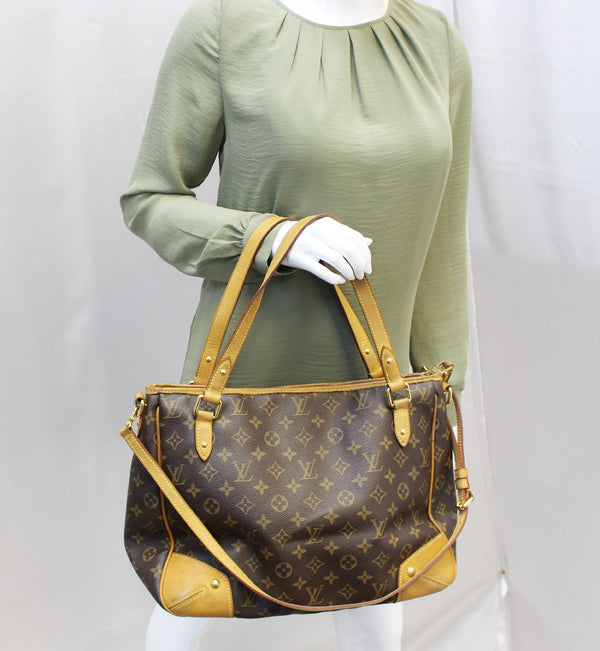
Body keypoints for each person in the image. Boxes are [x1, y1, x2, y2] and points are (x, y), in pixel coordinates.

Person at [120, 0, 472, 648]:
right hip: (246, 384)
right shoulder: (225, 26)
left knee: (377, 591)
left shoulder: (435, 42)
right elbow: (149, 200)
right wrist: (268, 237)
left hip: (383, 392)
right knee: (194, 595)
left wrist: (446, 386)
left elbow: (443, 235)